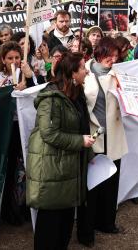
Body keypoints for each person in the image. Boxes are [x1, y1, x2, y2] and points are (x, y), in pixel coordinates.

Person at [26, 52, 94, 249]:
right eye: (83, 67)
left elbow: (81, 126)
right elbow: (49, 133)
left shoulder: (76, 93)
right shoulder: (52, 98)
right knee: (51, 222)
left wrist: (87, 152)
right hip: (51, 166)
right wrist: (79, 141)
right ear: (72, 72)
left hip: (68, 165)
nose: (87, 70)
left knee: (64, 221)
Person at [78, 37, 128, 245]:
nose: (113, 59)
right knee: (91, 187)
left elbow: (130, 99)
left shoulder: (120, 74)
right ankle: (86, 232)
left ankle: (107, 222)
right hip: (92, 137)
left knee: (110, 183)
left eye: (117, 56)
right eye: (110, 55)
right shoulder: (84, 71)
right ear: (99, 52)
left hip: (113, 136)